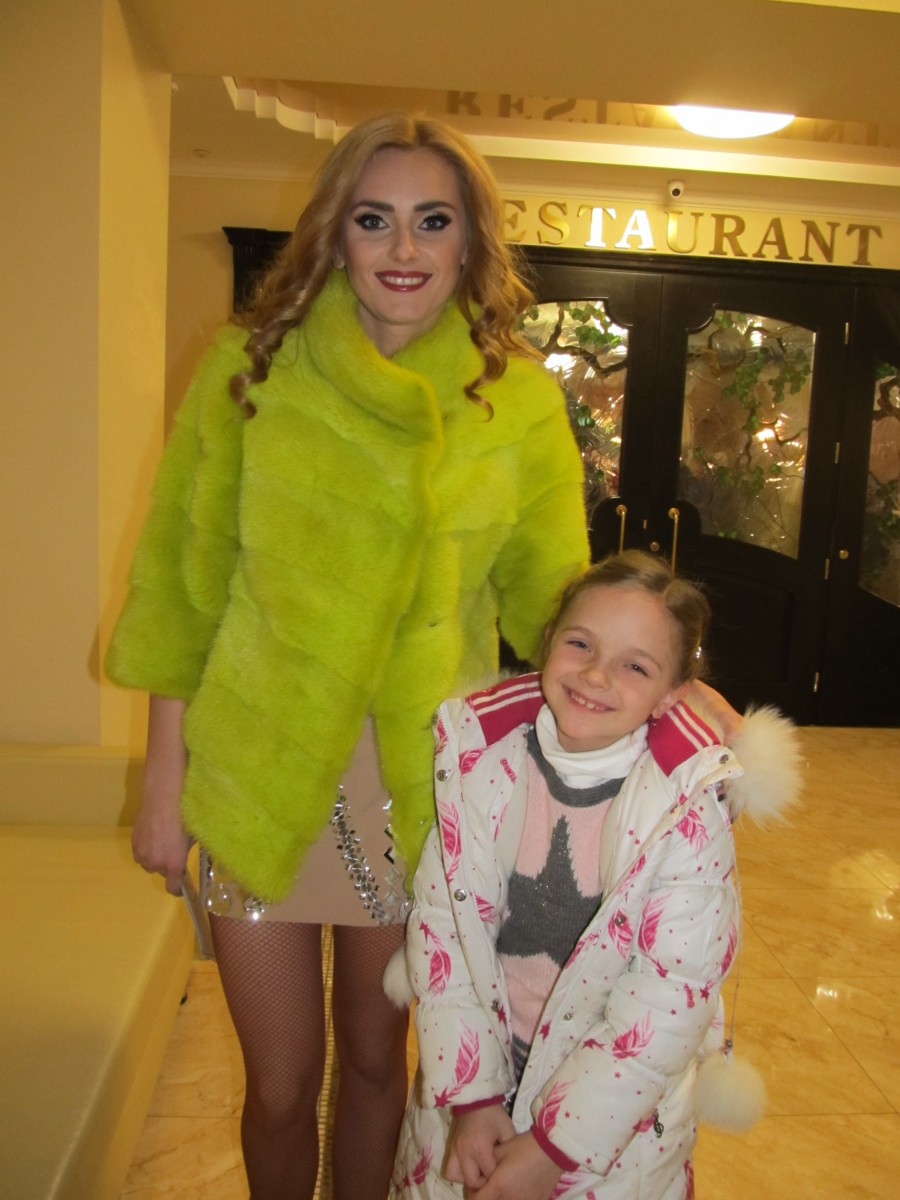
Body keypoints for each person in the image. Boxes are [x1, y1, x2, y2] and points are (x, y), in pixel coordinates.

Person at [104, 113, 592, 1200]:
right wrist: (163, 783)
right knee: (281, 1084)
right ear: (335, 232)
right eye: (375, 220)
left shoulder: (517, 402)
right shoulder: (249, 370)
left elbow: (556, 607)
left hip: (421, 790)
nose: (404, 249)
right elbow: (184, 592)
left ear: (471, 242)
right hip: (256, 776)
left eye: (433, 221)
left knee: (379, 1063)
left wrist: (658, 680)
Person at [387, 550, 800, 1200]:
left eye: (636, 666)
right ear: (549, 640)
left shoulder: (684, 814)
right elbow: (445, 936)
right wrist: (471, 1098)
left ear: (672, 694)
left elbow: (668, 997)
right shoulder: (476, 767)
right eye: (580, 643)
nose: (596, 674)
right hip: (472, 1112)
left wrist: (555, 1150)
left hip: (611, 1143)